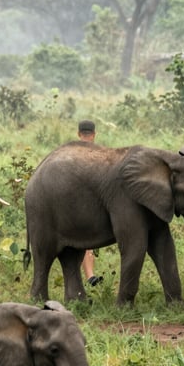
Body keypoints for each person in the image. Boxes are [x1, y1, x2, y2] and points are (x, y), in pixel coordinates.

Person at [77, 120, 101, 286]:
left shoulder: (70, 152)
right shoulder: (99, 154)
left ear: (79, 134)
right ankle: (89, 276)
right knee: (87, 243)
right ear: (94, 134)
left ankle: (85, 277)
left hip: (69, 201)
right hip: (90, 202)